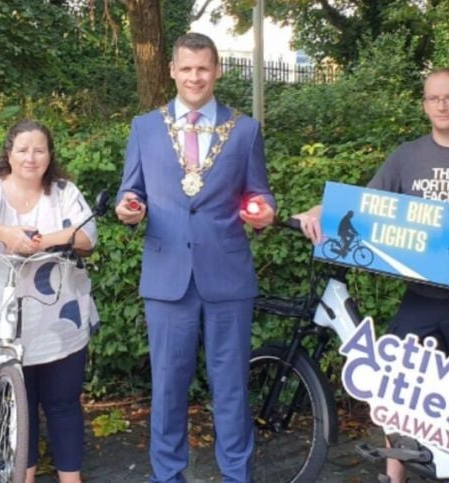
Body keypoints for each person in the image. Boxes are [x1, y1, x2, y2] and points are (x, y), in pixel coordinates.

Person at [295, 68, 449, 483]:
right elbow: (368, 203)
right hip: (422, 297)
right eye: (433, 98)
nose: (441, 106)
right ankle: (394, 475)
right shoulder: (407, 156)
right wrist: (320, 212)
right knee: (394, 384)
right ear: (424, 104)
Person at [115, 32, 276, 482]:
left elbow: (258, 190)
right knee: (167, 388)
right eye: (186, 68)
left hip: (228, 277)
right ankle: (167, 476)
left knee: (232, 389)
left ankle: (236, 476)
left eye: (203, 68)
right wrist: (128, 207)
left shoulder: (245, 129)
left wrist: (264, 209)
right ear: (171, 71)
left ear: (218, 70)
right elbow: (131, 190)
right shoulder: (144, 127)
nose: (194, 77)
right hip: (167, 277)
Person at [0, 120, 99, 483]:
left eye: (39, 149)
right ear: (9, 154)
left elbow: (86, 235)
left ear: (49, 155)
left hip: (60, 323)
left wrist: (39, 241)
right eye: (23, 149)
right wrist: (7, 234)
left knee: (63, 404)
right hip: (5, 323)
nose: (31, 157)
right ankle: (22, 477)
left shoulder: (64, 192)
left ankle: (70, 479)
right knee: (18, 408)